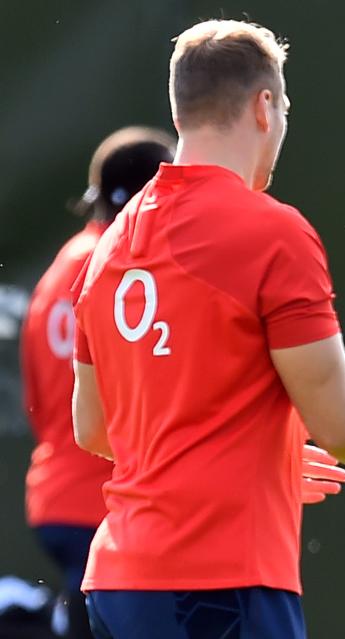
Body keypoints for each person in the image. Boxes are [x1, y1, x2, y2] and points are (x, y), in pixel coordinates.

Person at [71, 19, 345, 639]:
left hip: (120, 585)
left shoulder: (108, 246)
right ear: (265, 107)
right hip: (218, 587)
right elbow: (344, 429)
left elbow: (96, 429)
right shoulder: (271, 231)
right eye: (284, 107)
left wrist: (267, 460)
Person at [20, 125, 176, 639]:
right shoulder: (125, 269)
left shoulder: (61, 265)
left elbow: (39, 401)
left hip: (56, 497)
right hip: (109, 507)